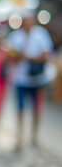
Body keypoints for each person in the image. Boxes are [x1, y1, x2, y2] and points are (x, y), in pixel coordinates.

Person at [8, 12, 54, 148]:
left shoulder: (41, 34)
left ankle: (34, 135)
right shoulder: (15, 36)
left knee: (36, 108)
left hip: (37, 79)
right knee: (20, 108)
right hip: (20, 79)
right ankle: (20, 135)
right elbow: (11, 55)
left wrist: (30, 58)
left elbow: (47, 54)